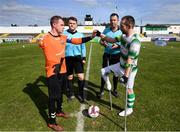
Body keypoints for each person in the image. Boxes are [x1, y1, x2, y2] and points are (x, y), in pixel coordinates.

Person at [39, 15, 96, 131]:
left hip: (63, 70)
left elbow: (77, 41)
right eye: (61, 25)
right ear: (54, 25)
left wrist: (91, 37)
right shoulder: (45, 39)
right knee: (53, 97)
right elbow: (40, 44)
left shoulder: (63, 37)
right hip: (52, 73)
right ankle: (52, 122)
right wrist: (40, 40)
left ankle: (59, 111)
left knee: (60, 93)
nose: (63, 27)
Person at [96, 15, 141, 116]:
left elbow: (130, 60)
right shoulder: (123, 36)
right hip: (120, 65)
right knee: (103, 71)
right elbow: (111, 40)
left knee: (129, 89)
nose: (120, 27)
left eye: (122, 25)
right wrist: (100, 35)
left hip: (129, 70)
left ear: (129, 26)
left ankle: (129, 109)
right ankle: (109, 85)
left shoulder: (135, 41)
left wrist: (125, 76)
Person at [97, 13, 122, 99]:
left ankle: (114, 90)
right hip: (107, 55)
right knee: (104, 72)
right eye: (111, 20)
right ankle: (101, 90)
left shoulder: (122, 31)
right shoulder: (106, 30)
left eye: (114, 20)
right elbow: (100, 41)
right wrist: (103, 43)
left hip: (117, 55)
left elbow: (125, 45)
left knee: (116, 74)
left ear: (118, 21)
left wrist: (118, 46)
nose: (112, 22)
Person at [64, 17, 86, 102]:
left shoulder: (80, 35)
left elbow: (83, 47)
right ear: (68, 24)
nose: (72, 25)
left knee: (81, 77)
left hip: (77, 58)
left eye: (73, 23)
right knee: (70, 77)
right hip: (67, 58)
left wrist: (83, 57)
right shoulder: (64, 34)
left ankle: (80, 94)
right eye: (70, 23)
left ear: (76, 25)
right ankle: (71, 94)